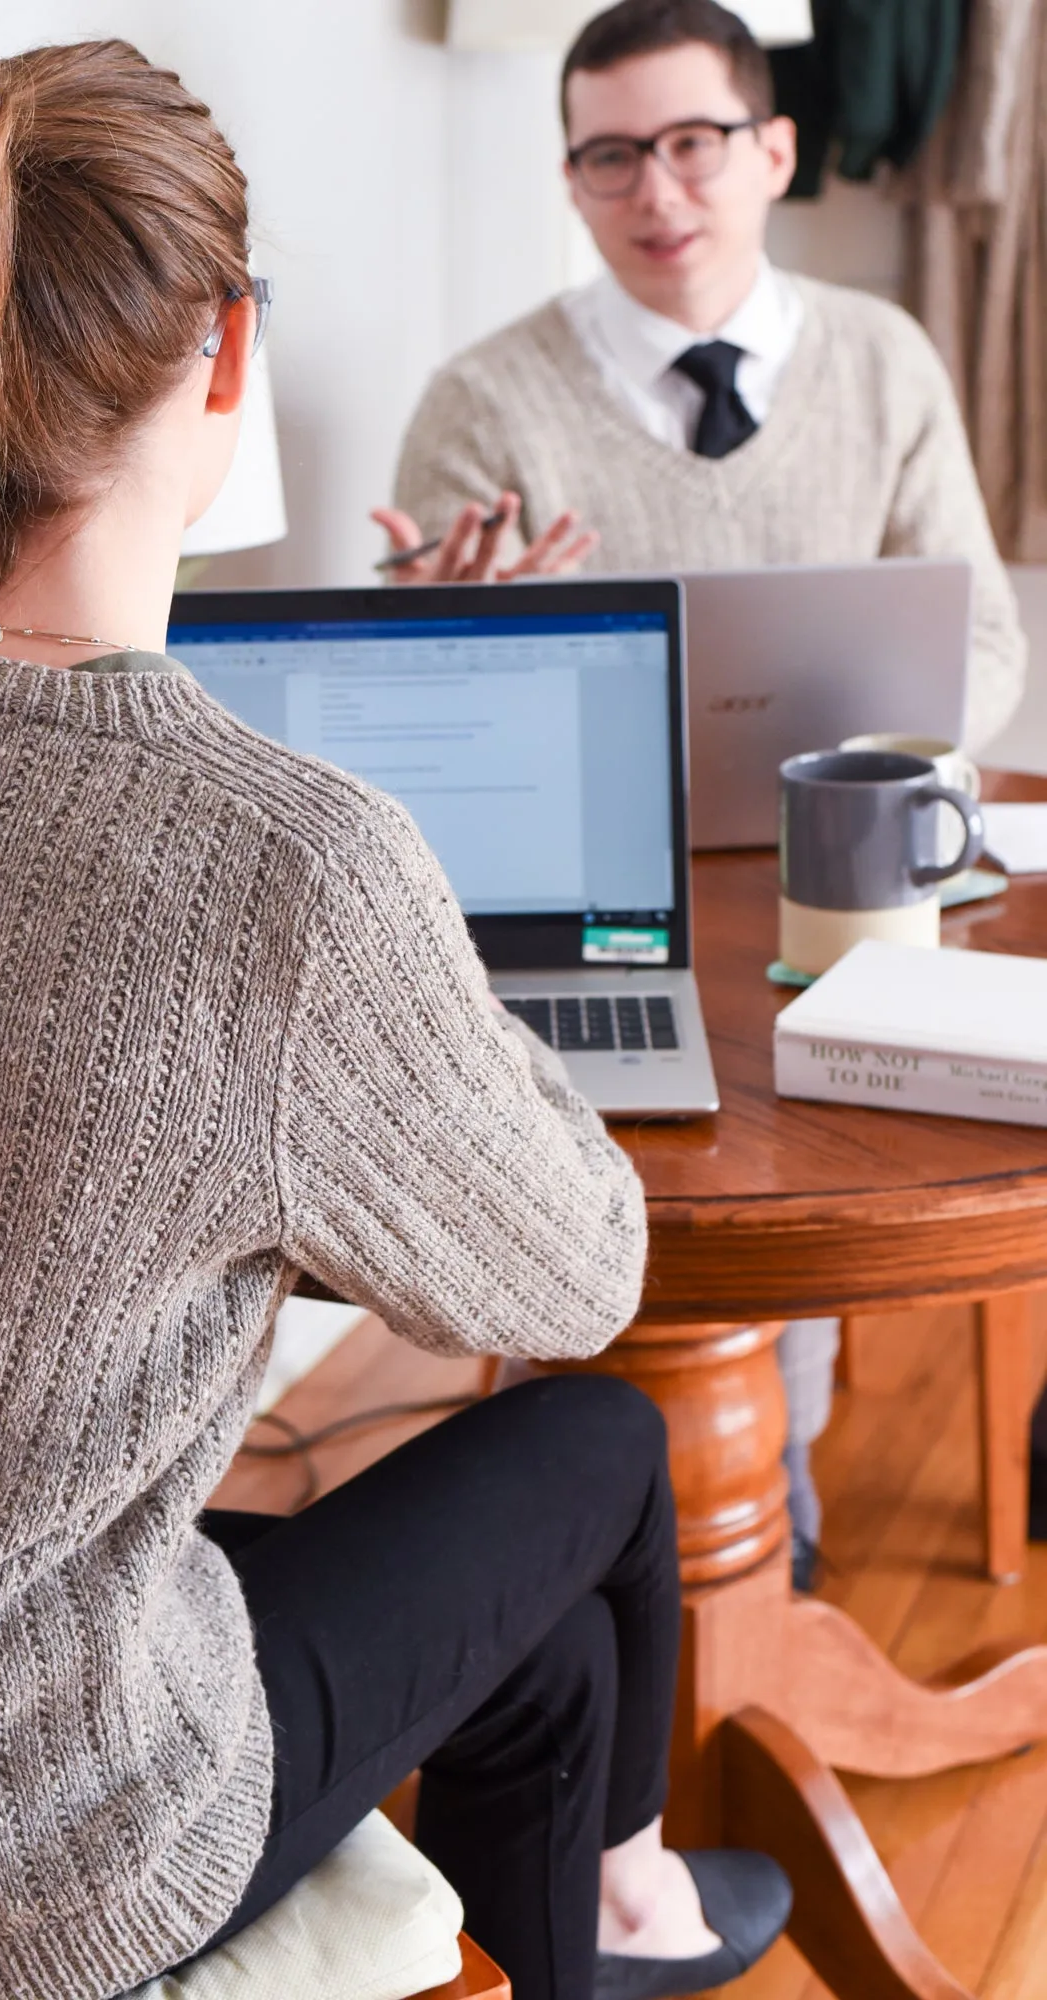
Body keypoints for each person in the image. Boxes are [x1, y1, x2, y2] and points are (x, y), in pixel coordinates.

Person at [0, 38, 792, 2000]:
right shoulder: (281, 860)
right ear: (232, 353)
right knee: (600, 1446)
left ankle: (614, 1920)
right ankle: (635, 1890)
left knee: (542, 1648)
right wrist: (402, 992)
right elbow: (575, 1267)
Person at [375, 0, 1029, 1585]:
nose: (656, 193)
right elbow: (419, 737)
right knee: (588, 1185)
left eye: (691, 145)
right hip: (588, 903)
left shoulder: (882, 358)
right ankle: (594, 1544)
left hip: (834, 891)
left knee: (789, 1185)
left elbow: (988, 638)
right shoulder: (486, 398)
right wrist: (461, 633)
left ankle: (747, 1519)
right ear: (574, 180)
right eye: (610, 158)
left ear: (775, 151)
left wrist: (892, 764)